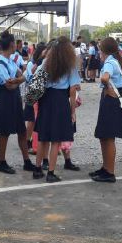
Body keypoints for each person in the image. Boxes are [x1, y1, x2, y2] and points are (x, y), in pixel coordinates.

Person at [32, 36, 81, 183]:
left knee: (43, 137)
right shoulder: (69, 65)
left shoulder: (46, 62)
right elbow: (73, 91)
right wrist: (72, 111)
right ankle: (51, 173)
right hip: (60, 101)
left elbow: (35, 78)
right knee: (56, 140)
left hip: (45, 100)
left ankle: (37, 169)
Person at [0, 32, 37, 174]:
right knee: (4, 132)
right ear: (11, 45)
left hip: (14, 98)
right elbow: (10, 84)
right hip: (4, 99)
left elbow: (19, 77)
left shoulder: (10, 61)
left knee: (21, 131)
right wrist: (18, 81)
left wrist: (16, 81)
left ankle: (27, 161)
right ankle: (2, 162)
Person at [92, 37, 122, 183]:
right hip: (114, 101)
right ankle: (105, 168)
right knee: (105, 136)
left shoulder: (109, 62)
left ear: (103, 50)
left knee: (108, 137)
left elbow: (104, 77)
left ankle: (109, 172)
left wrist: (107, 87)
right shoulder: (116, 61)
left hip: (111, 101)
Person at [24, 43, 47, 156]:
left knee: (36, 120)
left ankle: (36, 142)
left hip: (39, 95)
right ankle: (27, 141)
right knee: (31, 120)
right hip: (32, 94)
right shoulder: (31, 64)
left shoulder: (44, 64)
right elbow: (31, 76)